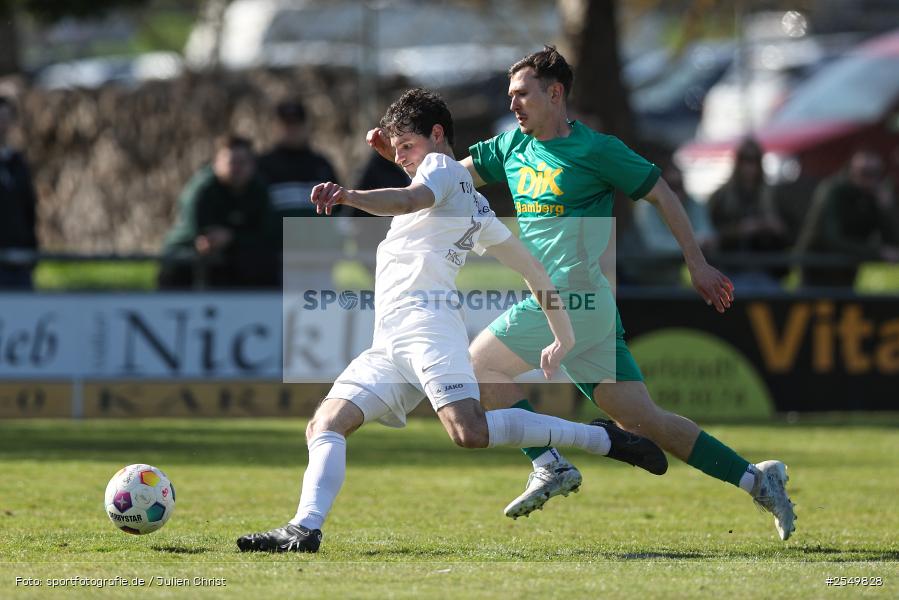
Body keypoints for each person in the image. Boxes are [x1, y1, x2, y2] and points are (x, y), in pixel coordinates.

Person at [368, 47, 795, 540]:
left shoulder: (597, 149)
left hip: (572, 297)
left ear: (555, 94)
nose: (513, 104)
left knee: (478, 367)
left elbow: (662, 193)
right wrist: (397, 156)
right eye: (510, 95)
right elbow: (442, 183)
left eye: (522, 94)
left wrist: (696, 264)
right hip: (582, 307)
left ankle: (549, 462)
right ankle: (757, 479)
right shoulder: (510, 147)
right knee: (645, 420)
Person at [237, 89, 666, 553]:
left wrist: (349, 195)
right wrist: (563, 336)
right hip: (390, 342)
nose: (402, 157)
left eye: (408, 146)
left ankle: (600, 438)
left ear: (438, 134)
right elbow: (532, 270)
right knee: (326, 423)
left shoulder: (439, 170)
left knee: (470, 432)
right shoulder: (470, 201)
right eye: (397, 149)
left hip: (429, 329)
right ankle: (304, 528)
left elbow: (410, 198)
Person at [158, 134, 271, 289]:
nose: (237, 168)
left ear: (252, 165)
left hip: (236, 254)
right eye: (231, 162)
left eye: (242, 162)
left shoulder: (259, 190)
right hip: (188, 250)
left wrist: (232, 238)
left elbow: (265, 233)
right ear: (216, 163)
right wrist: (215, 240)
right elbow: (199, 235)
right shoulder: (202, 190)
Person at [257, 98, 342, 286]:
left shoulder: (322, 165)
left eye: (296, 124)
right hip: (278, 259)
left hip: (319, 259)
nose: (292, 130)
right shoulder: (263, 165)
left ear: (306, 126)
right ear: (275, 127)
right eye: (286, 124)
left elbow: (338, 211)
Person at [795, 148, 899, 287]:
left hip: (847, 267)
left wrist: (885, 208)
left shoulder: (874, 197)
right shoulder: (835, 191)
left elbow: (891, 241)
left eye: (875, 173)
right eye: (864, 172)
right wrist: (877, 253)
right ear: (852, 170)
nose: (869, 178)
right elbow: (833, 238)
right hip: (817, 264)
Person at [708, 137, 789, 289]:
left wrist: (774, 227)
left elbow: (791, 234)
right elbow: (710, 236)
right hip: (731, 269)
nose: (749, 167)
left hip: (767, 270)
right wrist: (739, 230)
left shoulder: (773, 196)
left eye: (754, 160)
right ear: (737, 163)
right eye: (745, 160)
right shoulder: (721, 197)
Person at [629, 161, 716, 285]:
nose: (677, 193)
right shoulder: (645, 207)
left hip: (683, 271)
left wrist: (698, 243)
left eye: (680, 186)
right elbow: (655, 244)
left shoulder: (693, 203)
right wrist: (695, 243)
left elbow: (707, 234)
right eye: (672, 186)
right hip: (648, 274)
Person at [0, 96, 39, 289]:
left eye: (6, 118)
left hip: (19, 259)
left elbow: (28, 208)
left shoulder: (17, 163)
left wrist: (31, 248)